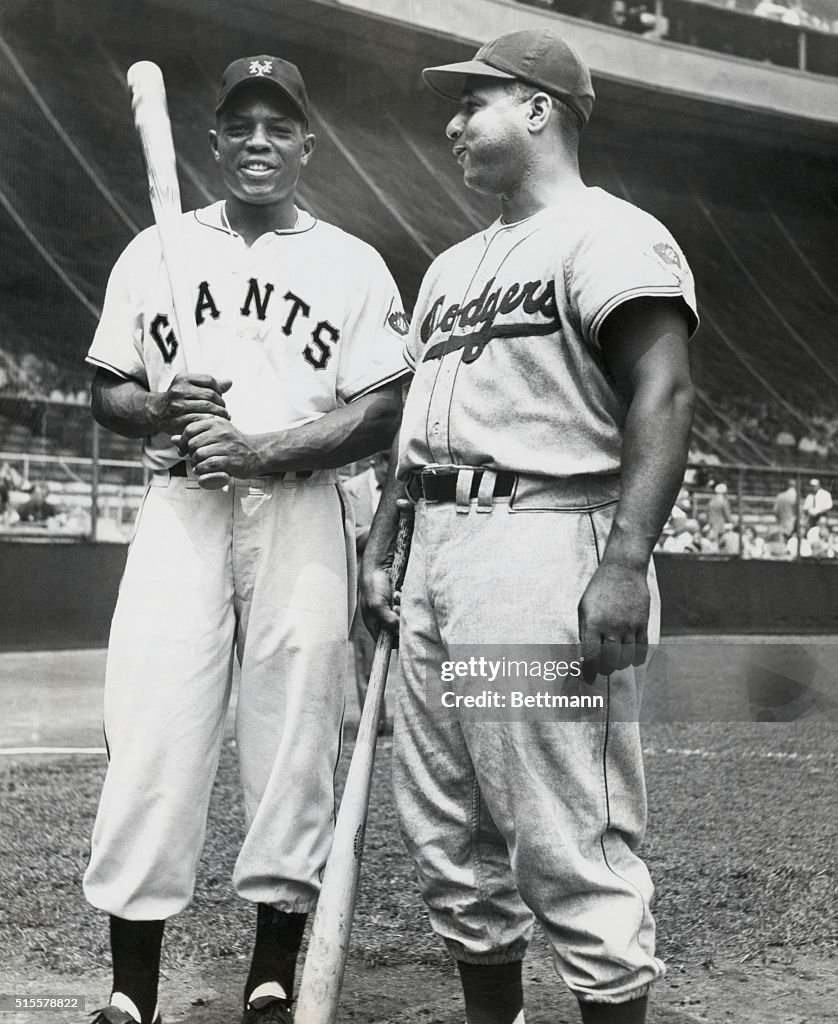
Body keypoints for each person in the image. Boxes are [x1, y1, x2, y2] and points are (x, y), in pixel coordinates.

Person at [362, 29, 697, 1024]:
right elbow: (418, 434)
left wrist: (627, 561)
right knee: (451, 828)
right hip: (438, 547)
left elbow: (664, 389)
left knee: (562, 830)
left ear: (541, 109)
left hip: (544, 538)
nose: (454, 124)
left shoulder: (610, 234)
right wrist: (384, 545)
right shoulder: (450, 266)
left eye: (475, 102)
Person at [83, 55, 408, 1024]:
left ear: (307, 144)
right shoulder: (154, 251)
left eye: (279, 126)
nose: (259, 141)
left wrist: (259, 447)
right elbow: (106, 389)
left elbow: (381, 408)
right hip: (181, 507)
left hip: (301, 512)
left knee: (294, 738)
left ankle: (271, 973)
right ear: (215, 141)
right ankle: (130, 990)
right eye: (241, 126)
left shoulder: (350, 263)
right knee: (150, 731)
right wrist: (159, 407)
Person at [342, 450, 390, 725]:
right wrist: (383, 529)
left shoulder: (403, 486)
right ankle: (374, 722)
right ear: (375, 462)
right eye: (387, 465)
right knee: (366, 657)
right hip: (365, 585)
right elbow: (346, 533)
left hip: (399, 585)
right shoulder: (351, 489)